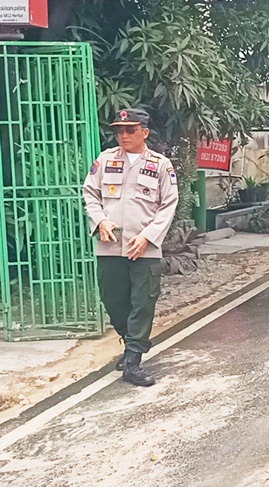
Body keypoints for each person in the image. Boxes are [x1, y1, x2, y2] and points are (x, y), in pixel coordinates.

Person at [83, 109, 179, 387]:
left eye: (130, 130)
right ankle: (129, 344)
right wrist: (100, 221)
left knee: (143, 303)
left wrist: (148, 237)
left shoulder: (161, 165)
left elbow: (168, 204)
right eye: (120, 130)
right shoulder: (104, 160)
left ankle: (134, 360)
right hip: (110, 246)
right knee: (113, 300)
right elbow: (90, 194)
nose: (123, 135)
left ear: (144, 133)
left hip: (144, 249)